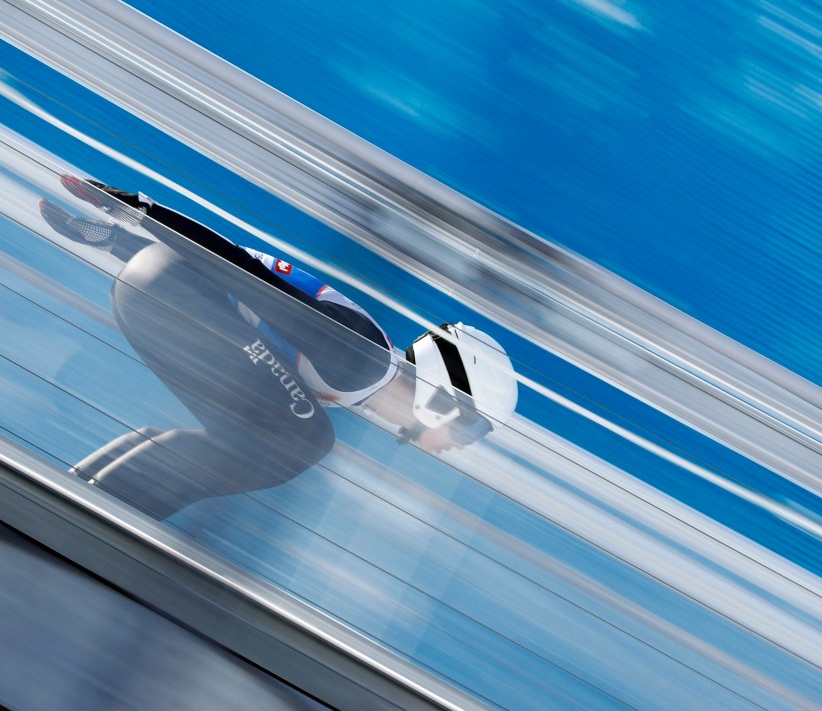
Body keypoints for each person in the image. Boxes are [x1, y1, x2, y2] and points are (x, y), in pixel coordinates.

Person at [41, 175, 517, 520]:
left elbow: (247, 289)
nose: (457, 449)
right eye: (471, 433)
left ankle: (86, 493)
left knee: (260, 442)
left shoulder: (363, 371)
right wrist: (138, 212)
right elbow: (242, 276)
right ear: (447, 402)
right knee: (304, 443)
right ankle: (100, 509)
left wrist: (120, 242)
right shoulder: (361, 362)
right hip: (170, 293)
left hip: (161, 285)